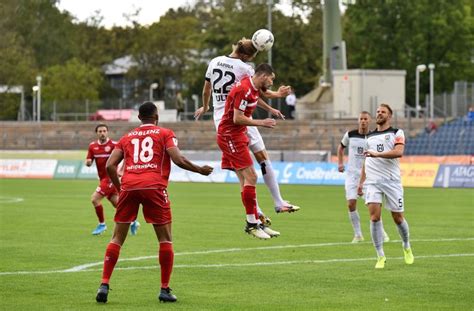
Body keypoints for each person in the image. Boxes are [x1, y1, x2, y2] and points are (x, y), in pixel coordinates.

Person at [95, 102, 213, 304]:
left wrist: (120, 187)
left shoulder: (126, 137)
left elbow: (110, 165)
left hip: (129, 186)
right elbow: (178, 159)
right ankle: (164, 289)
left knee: (117, 238)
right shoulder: (165, 133)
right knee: (165, 239)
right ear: (156, 117)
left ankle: (104, 284)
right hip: (154, 187)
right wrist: (199, 170)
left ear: (139, 118)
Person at [195, 37, 300, 224]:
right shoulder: (244, 69)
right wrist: (278, 95)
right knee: (261, 159)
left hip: (220, 121)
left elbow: (206, 90)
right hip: (238, 119)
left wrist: (205, 107)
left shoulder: (214, 62)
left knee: (242, 173)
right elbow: (257, 91)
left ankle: (258, 211)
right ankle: (274, 203)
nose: (250, 61)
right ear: (244, 55)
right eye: (250, 58)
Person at [216, 63, 280, 239]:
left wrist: (271, 108)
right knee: (251, 177)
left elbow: (257, 98)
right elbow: (237, 118)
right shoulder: (244, 88)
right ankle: (252, 224)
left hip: (237, 136)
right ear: (263, 76)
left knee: (246, 180)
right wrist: (262, 122)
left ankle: (256, 221)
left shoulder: (250, 86)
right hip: (230, 136)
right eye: (271, 79)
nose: (272, 83)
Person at [358, 103, 414, 269]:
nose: (379, 114)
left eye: (383, 112)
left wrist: (378, 154)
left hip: (391, 181)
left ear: (389, 116)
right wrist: (361, 182)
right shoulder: (369, 137)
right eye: (377, 111)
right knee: (374, 217)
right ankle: (380, 256)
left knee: (398, 218)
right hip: (372, 182)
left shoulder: (397, 133)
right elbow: (366, 160)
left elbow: (399, 152)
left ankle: (406, 245)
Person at [337, 112, 389, 243]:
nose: (363, 121)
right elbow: (341, 147)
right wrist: (340, 163)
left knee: (373, 207)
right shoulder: (350, 134)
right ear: (358, 120)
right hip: (351, 175)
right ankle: (358, 235)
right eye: (361, 119)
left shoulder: (373, 137)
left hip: (367, 176)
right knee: (350, 204)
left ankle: (382, 233)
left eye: (365, 119)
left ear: (370, 121)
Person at [86, 124, 139, 236]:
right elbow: (89, 160)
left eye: (104, 131)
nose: (102, 133)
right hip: (102, 179)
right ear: (97, 133)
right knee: (118, 205)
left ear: (107, 132)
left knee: (95, 199)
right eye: (100, 131)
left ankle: (102, 224)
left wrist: (122, 170)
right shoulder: (92, 146)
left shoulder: (114, 145)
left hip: (111, 178)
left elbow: (127, 156)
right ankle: (133, 221)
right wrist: (88, 162)